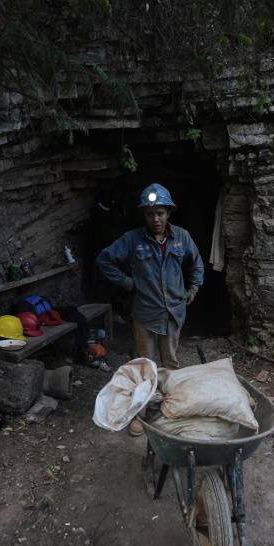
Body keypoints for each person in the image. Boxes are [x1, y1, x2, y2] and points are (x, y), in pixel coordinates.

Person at [96, 183, 204, 435]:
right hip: (145, 314)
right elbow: (104, 259)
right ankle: (141, 415)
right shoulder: (133, 239)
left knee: (171, 363)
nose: (156, 218)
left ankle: (170, 411)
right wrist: (126, 282)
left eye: (160, 213)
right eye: (150, 214)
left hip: (174, 311)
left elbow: (197, 264)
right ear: (144, 215)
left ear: (168, 213)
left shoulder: (182, 237)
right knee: (145, 365)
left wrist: (193, 289)